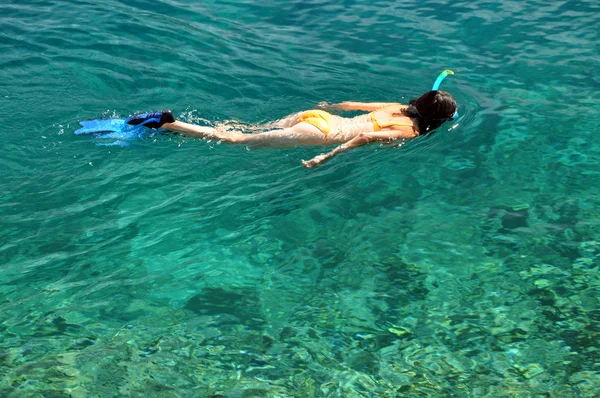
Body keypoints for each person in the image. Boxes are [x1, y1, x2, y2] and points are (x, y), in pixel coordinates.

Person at [129, 70, 459, 168]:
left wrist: (328, 103)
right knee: (236, 141)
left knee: (249, 130)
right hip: (323, 134)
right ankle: (169, 123)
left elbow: (351, 104)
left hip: (317, 116)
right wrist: (327, 156)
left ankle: (173, 129)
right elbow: (366, 138)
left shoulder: (397, 107)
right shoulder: (412, 132)